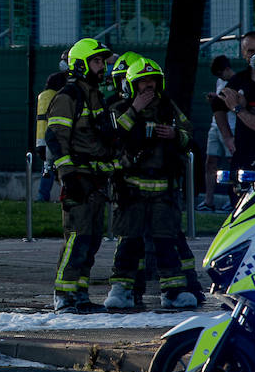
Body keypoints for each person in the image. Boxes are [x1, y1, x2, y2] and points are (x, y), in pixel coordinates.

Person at [103, 57, 197, 311]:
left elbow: (189, 133)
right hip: (130, 190)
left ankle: (173, 292)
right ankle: (121, 291)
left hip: (163, 189)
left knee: (166, 242)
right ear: (133, 85)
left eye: (153, 80)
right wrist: (134, 109)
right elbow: (112, 137)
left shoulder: (168, 107)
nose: (149, 86)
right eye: (143, 81)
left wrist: (175, 135)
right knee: (129, 241)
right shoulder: (119, 107)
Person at [45, 37, 118, 312]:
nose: (102, 66)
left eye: (102, 61)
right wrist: (68, 175)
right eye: (97, 61)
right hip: (78, 178)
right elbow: (56, 137)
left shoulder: (95, 94)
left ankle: (80, 295)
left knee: (91, 240)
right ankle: (63, 296)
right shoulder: (69, 96)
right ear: (81, 64)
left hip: (97, 179)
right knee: (77, 237)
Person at [222, 31, 255, 172]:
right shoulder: (239, 79)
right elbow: (218, 104)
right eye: (251, 51)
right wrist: (227, 137)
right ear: (244, 54)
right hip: (243, 150)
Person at [200, 54, 236, 210]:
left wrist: (219, 99)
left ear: (227, 69)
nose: (221, 77)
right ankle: (209, 201)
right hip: (215, 126)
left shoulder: (238, 81)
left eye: (221, 73)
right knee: (210, 162)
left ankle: (234, 199)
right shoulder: (220, 81)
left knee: (232, 164)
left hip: (231, 127)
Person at [34, 56, 69, 201]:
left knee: (47, 167)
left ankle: (42, 196)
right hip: (57, 133)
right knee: (59, 166)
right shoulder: (58, 91)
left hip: (46, 136)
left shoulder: (45, 94)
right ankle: (62, 195)